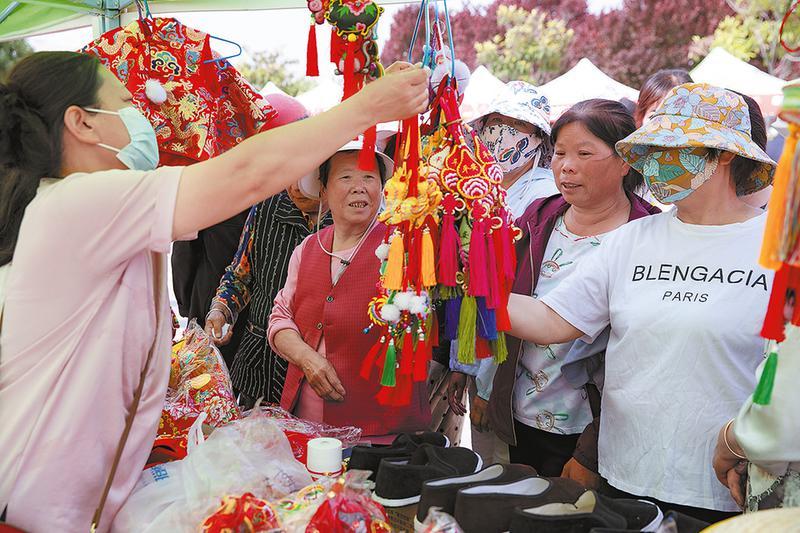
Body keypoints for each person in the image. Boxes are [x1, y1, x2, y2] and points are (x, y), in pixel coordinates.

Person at [0, 51, 428, 531]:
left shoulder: (86, 208)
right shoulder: (77, 203)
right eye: (124, 101)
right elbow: (245, 175)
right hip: (33, 510)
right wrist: (367, 107)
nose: (141, 118)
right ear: (81, 122)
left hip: (61, 507)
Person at [505, 83, 776, 522]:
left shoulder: (777, 251)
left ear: (725, 154)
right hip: (625, 478)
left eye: (674, 147)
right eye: (653, 147)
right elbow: (549, 319)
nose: (657, 161)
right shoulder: (632, 240)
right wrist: (467, 286)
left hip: (723, 489)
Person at [469, 99, 659, 477]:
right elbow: (501, 299)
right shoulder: (537, 218)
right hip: (522, 409)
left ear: (625, 161)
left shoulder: (649, 235)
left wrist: (590, 450)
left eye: (584, 153)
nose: (566, 165)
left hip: (596, 426)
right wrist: (487, 387)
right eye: (559, 153)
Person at [268, 141, 431, 440]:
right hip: (307, 424)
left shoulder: (404, 247)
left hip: (379, 431)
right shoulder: (307, 249)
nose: (359, 187)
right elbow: (280, 317)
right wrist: (307, 357)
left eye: (369, 177)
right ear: (324, 190)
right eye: (346, 177)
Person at [445, 81, 559, 464]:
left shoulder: (542, 198)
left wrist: (487, 384)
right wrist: (465, 364)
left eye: (515, 125)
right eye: (495, 122)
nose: (500, 133)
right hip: (480, 355)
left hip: (515, 371)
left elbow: (514, 293)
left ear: (538, 139)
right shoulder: (487, 190)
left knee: (505, 472)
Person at [204, 95, 333, 407]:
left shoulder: (347, 221)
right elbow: (240, 275)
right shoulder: (267, 206)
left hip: (322, 372)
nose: (292, 187)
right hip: (258, 366)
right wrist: (220, 311)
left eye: (303, 176)